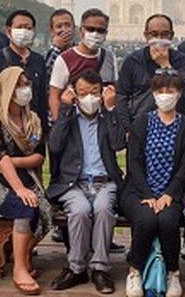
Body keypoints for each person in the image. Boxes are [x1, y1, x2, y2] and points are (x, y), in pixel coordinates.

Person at [46, 70, 127, 293]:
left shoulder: (107, 116)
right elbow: (54, 145)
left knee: (103, 208)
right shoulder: (69, 117)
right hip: (74, 183)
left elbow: (119, 143)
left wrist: (111, 109)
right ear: (74, 93)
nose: (89, 98)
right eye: (83, 93)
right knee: (80, 210)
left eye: (94, 92)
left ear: (102, 93)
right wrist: (64, 109)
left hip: (105, 181)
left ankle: (100, 269)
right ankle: (77, 268)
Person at [0, 66, 52, 295]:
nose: (25, 90)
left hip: (21, 173)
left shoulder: (33, 119)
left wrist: (17, 162)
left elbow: (39, 156)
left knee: (45, 209)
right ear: (7, 88)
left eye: (26, 84)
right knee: (25, 207)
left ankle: (24, 252)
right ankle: (20, 268)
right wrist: (19, 190)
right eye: (19, 85)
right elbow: (0, 156)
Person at [121, 72, 185, 297]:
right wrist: (148, 195)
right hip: (139, 191)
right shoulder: (142, 122)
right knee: (146, 219)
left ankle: (172, 273)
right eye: (160, 91)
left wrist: (168, 194)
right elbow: (133, 162)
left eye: (171, 91)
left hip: (171, 192)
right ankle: (134, 271)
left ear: (179, 94)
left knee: (167, 221)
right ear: (153, 94)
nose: (165, 96)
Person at [115, 13, 185, 129]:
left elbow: (184, 93)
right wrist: (127, 128)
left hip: (173, 128)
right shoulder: (133, 61)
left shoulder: (179, 60)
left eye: (164, 34)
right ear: (146, 35)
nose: (159, 39)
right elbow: (121, 96)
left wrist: (165, 65)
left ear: (171, 36)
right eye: (154, 34)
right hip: (140, 127)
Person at [0, 9, 50, 127]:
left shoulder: (38, 60)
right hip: (4, 126)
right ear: (8, 30)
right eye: (19, 27)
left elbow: (42, 99)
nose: (24, 31)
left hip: (31, 127)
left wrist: (43, 129)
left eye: (28, 28)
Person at [49, 8, 118, 122]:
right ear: (81, 31)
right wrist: (59, 125)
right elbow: (54, 96)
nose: (95, 34)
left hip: (103, 124)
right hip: (73, 124)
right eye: (90, 29)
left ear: (106, 34)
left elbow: (115, 90)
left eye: (100, 30)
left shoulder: (109, 57)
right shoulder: (65, 59)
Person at [46, 8, 76, 83]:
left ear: (74, 28)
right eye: (59, 26)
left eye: (68, 25)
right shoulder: (44, 57)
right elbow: (46, 77)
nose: (64, 30)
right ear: (52, 31)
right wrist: (57, 48)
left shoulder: (80, 52)